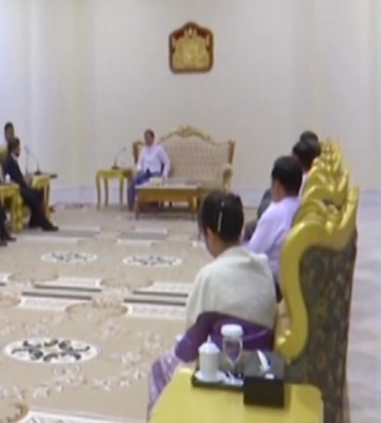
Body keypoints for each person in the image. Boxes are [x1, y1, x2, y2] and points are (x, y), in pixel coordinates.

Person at [147, 192, 276, 417]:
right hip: (263, 366)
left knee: (160, 368)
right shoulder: (263, 266)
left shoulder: (210, 276)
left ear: (210, 235)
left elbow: (191, 343)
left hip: (223, 369)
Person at [246, 156, 303, 280]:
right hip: (295, 274)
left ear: (277, 185)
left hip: (271, 279)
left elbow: (251, 254)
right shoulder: (303, 205)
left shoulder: (274, 213)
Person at [1, 137, 59, 231]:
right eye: (18, 148)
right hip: (17, 189)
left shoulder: (13, 160)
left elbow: (17, 176)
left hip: (21, 187)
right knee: (33, 196)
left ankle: (34, 221)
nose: (20, 150)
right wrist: (24, 181)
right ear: (14, 148)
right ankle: (45, 224)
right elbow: (10, 179)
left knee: (39, 192)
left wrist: (25, 178)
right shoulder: (8, 161)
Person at [128, 129, 170, 209]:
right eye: (145, 138)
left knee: (148, 184)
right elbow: (139, 163)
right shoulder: (143, 150)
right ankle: (133, 205)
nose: (147, 140)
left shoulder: (159, 149)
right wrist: (139, 169)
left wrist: (164, 175)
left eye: (148, 138)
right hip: (145, 173)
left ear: (152, 138)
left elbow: (167, 162)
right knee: (133, 182)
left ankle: (151, 205)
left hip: (155, 174)